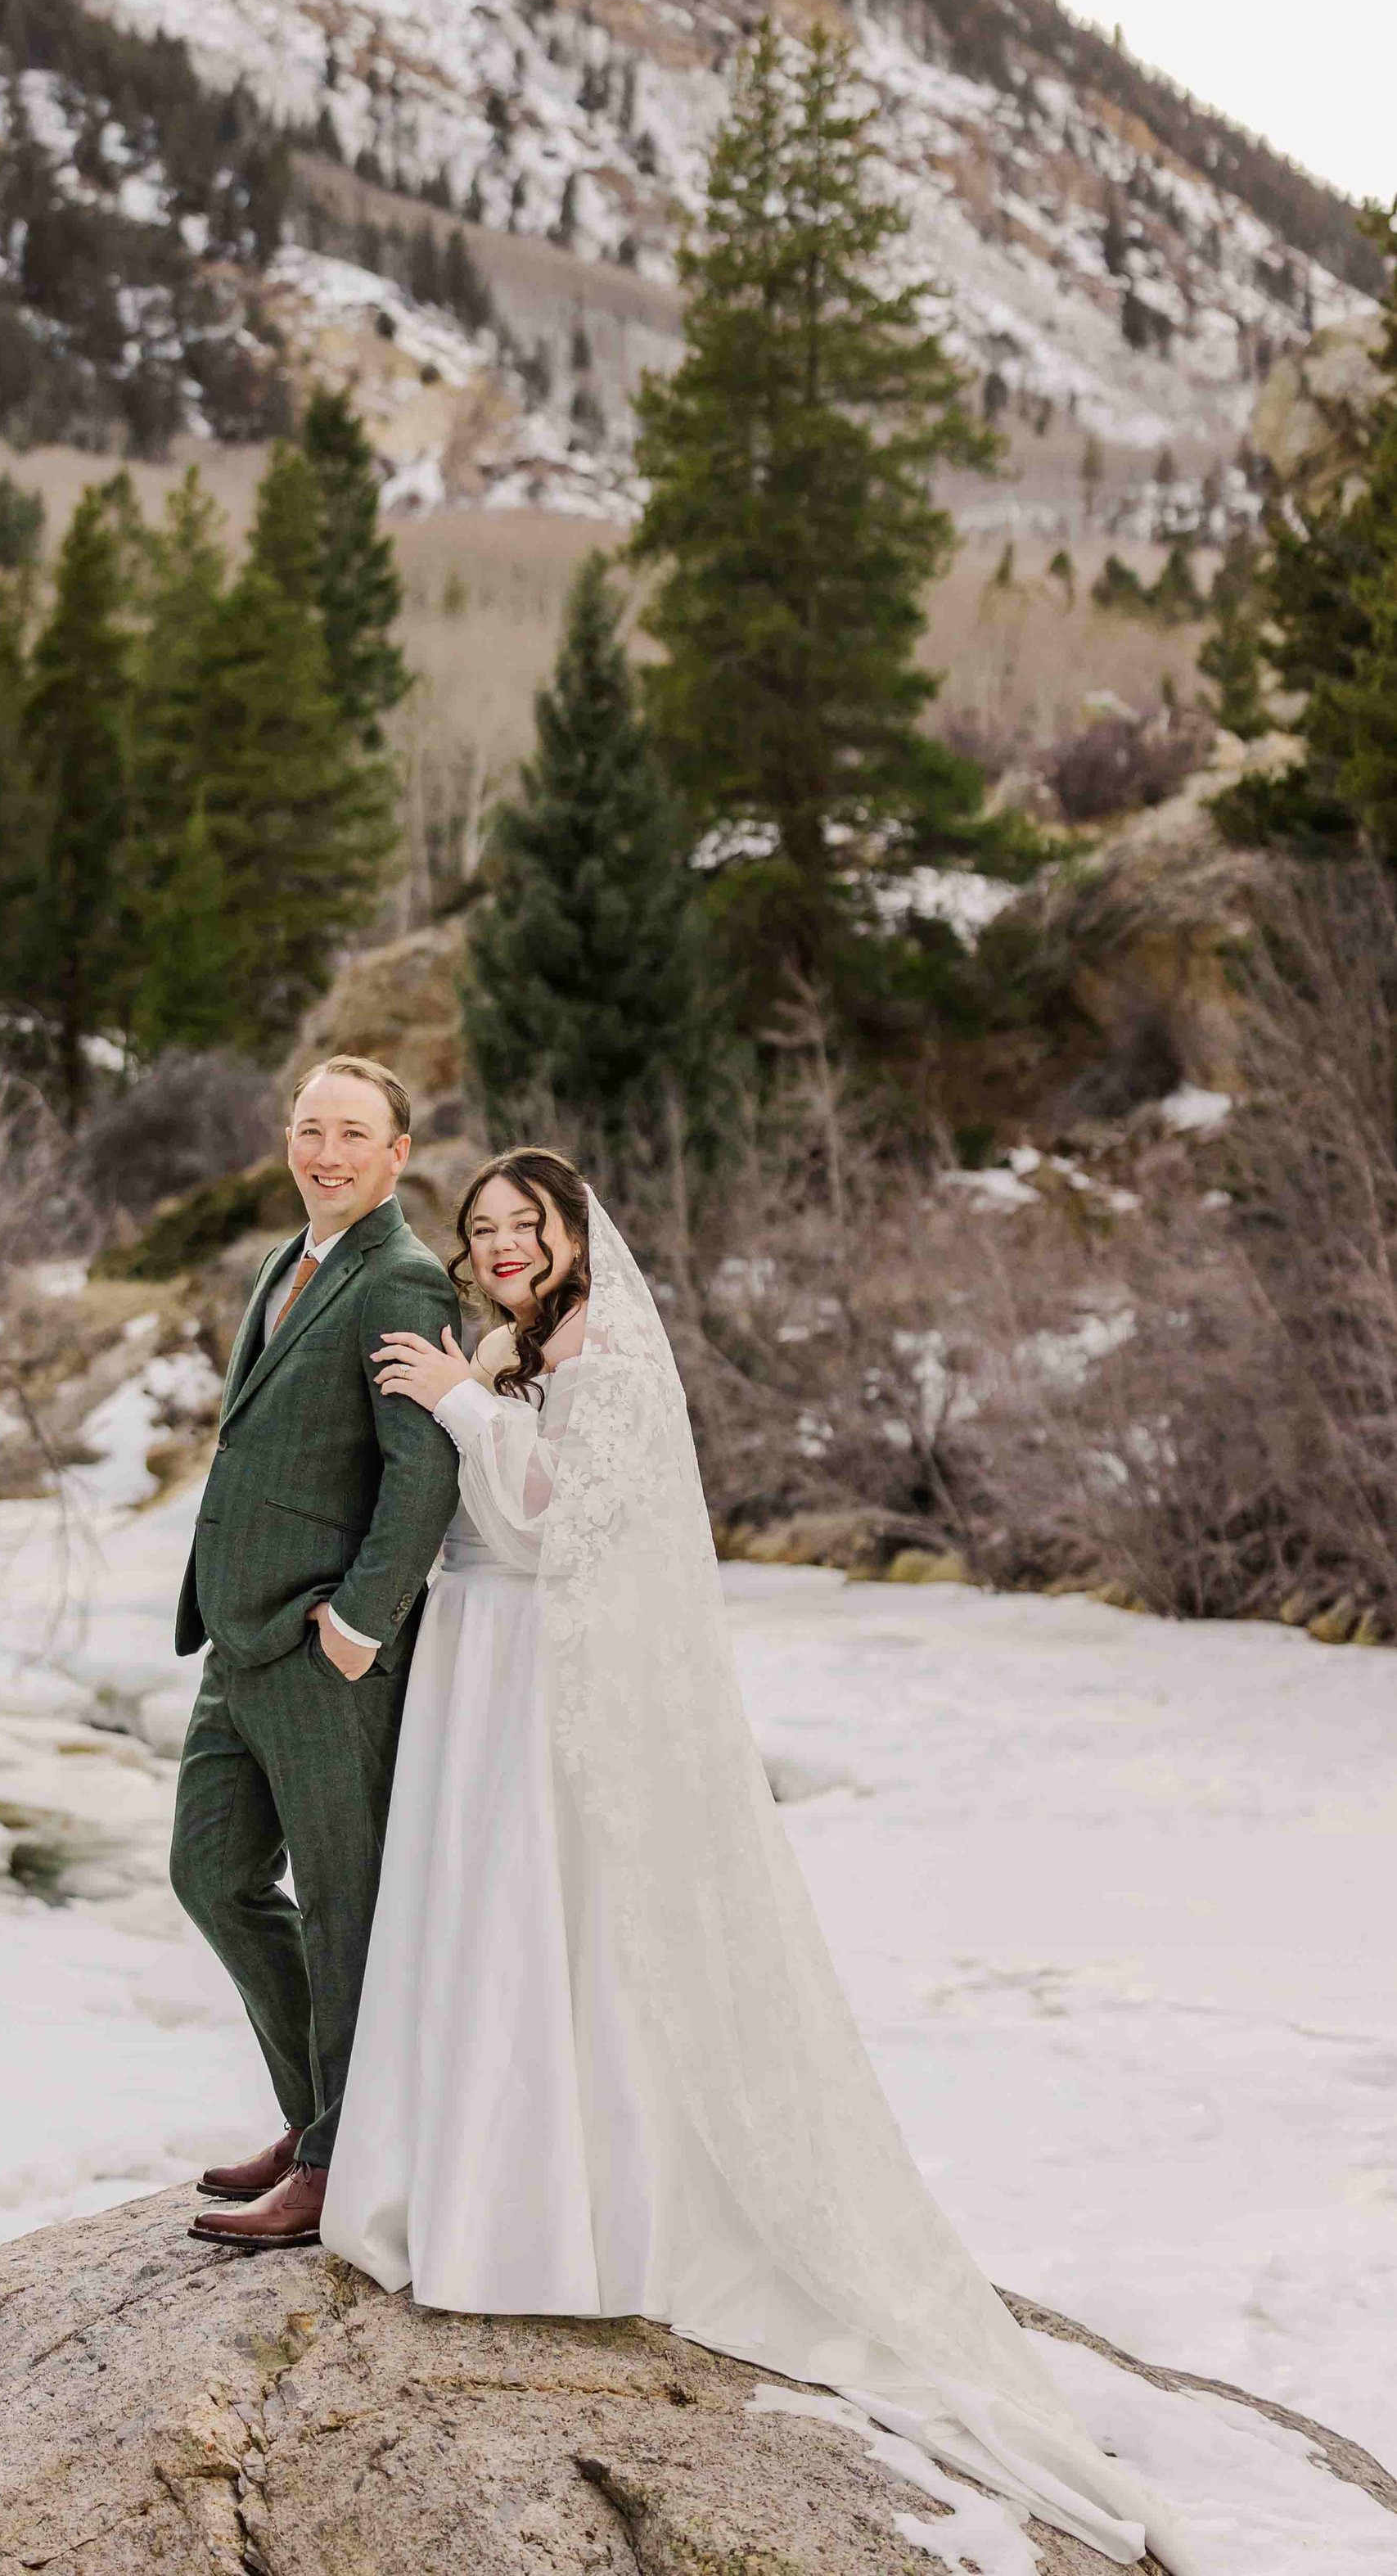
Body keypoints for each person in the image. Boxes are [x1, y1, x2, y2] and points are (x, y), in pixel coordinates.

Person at [320, 1148, 1201, 2574]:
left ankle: (555, 2216)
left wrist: (465, 1401)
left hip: (542, 1660)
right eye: (479, 1227)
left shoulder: (595, 1347)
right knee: (479, 1929)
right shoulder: (504, 1342)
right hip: (470, 1661)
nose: (497, 1245)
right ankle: (462, 2183)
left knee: (547, 1928)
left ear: (568, 1234)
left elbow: (554, 1520)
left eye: (519, 1225)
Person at [173, 1056, 461, 2253]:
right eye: (309, 1129)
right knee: (212, 1874)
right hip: (235, 1646)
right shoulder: (288, 1267)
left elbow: (427, 1465)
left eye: (353, 1133)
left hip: (322, 1648)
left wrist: (358, 1621)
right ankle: (317, 2119)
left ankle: (341, 2162)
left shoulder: (401, 1279)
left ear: (397, 1154)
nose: (326, 1151)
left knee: (345, 1907)